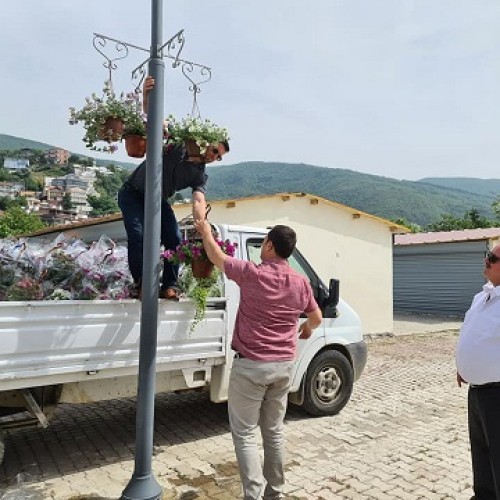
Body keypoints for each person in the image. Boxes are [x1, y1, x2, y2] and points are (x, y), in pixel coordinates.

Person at [193, 220, 322, 500]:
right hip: (284, 367)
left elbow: (216, 257)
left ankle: (253, 495)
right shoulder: (301, 283)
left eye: (264, 243)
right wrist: (307, 329)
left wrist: (204, 231)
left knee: (245, 434)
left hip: (251, 367)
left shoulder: (252, 274)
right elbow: (317, 317)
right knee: (274, 432)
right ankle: (275, 493)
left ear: (270, 245)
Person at [118, 76, 229, 299]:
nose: (215, 157)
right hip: (133, 194)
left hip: (158, 200)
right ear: (207, 142)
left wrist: (201, 224)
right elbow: (156, 121)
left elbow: (198, 201)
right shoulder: (179, 143)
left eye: (219, 156)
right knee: (138, 236)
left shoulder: (200, 175)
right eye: (215, 151)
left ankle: (169, 285)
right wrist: (146, 97)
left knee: (175, 239)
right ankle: (140, 283)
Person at [456, 245, 500, 500]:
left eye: (492, 258)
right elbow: (471, 334)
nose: (486, 260)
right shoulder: (481, 297)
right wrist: (463, 366)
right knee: (481, 453)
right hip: (477, 392)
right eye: (487, 255)